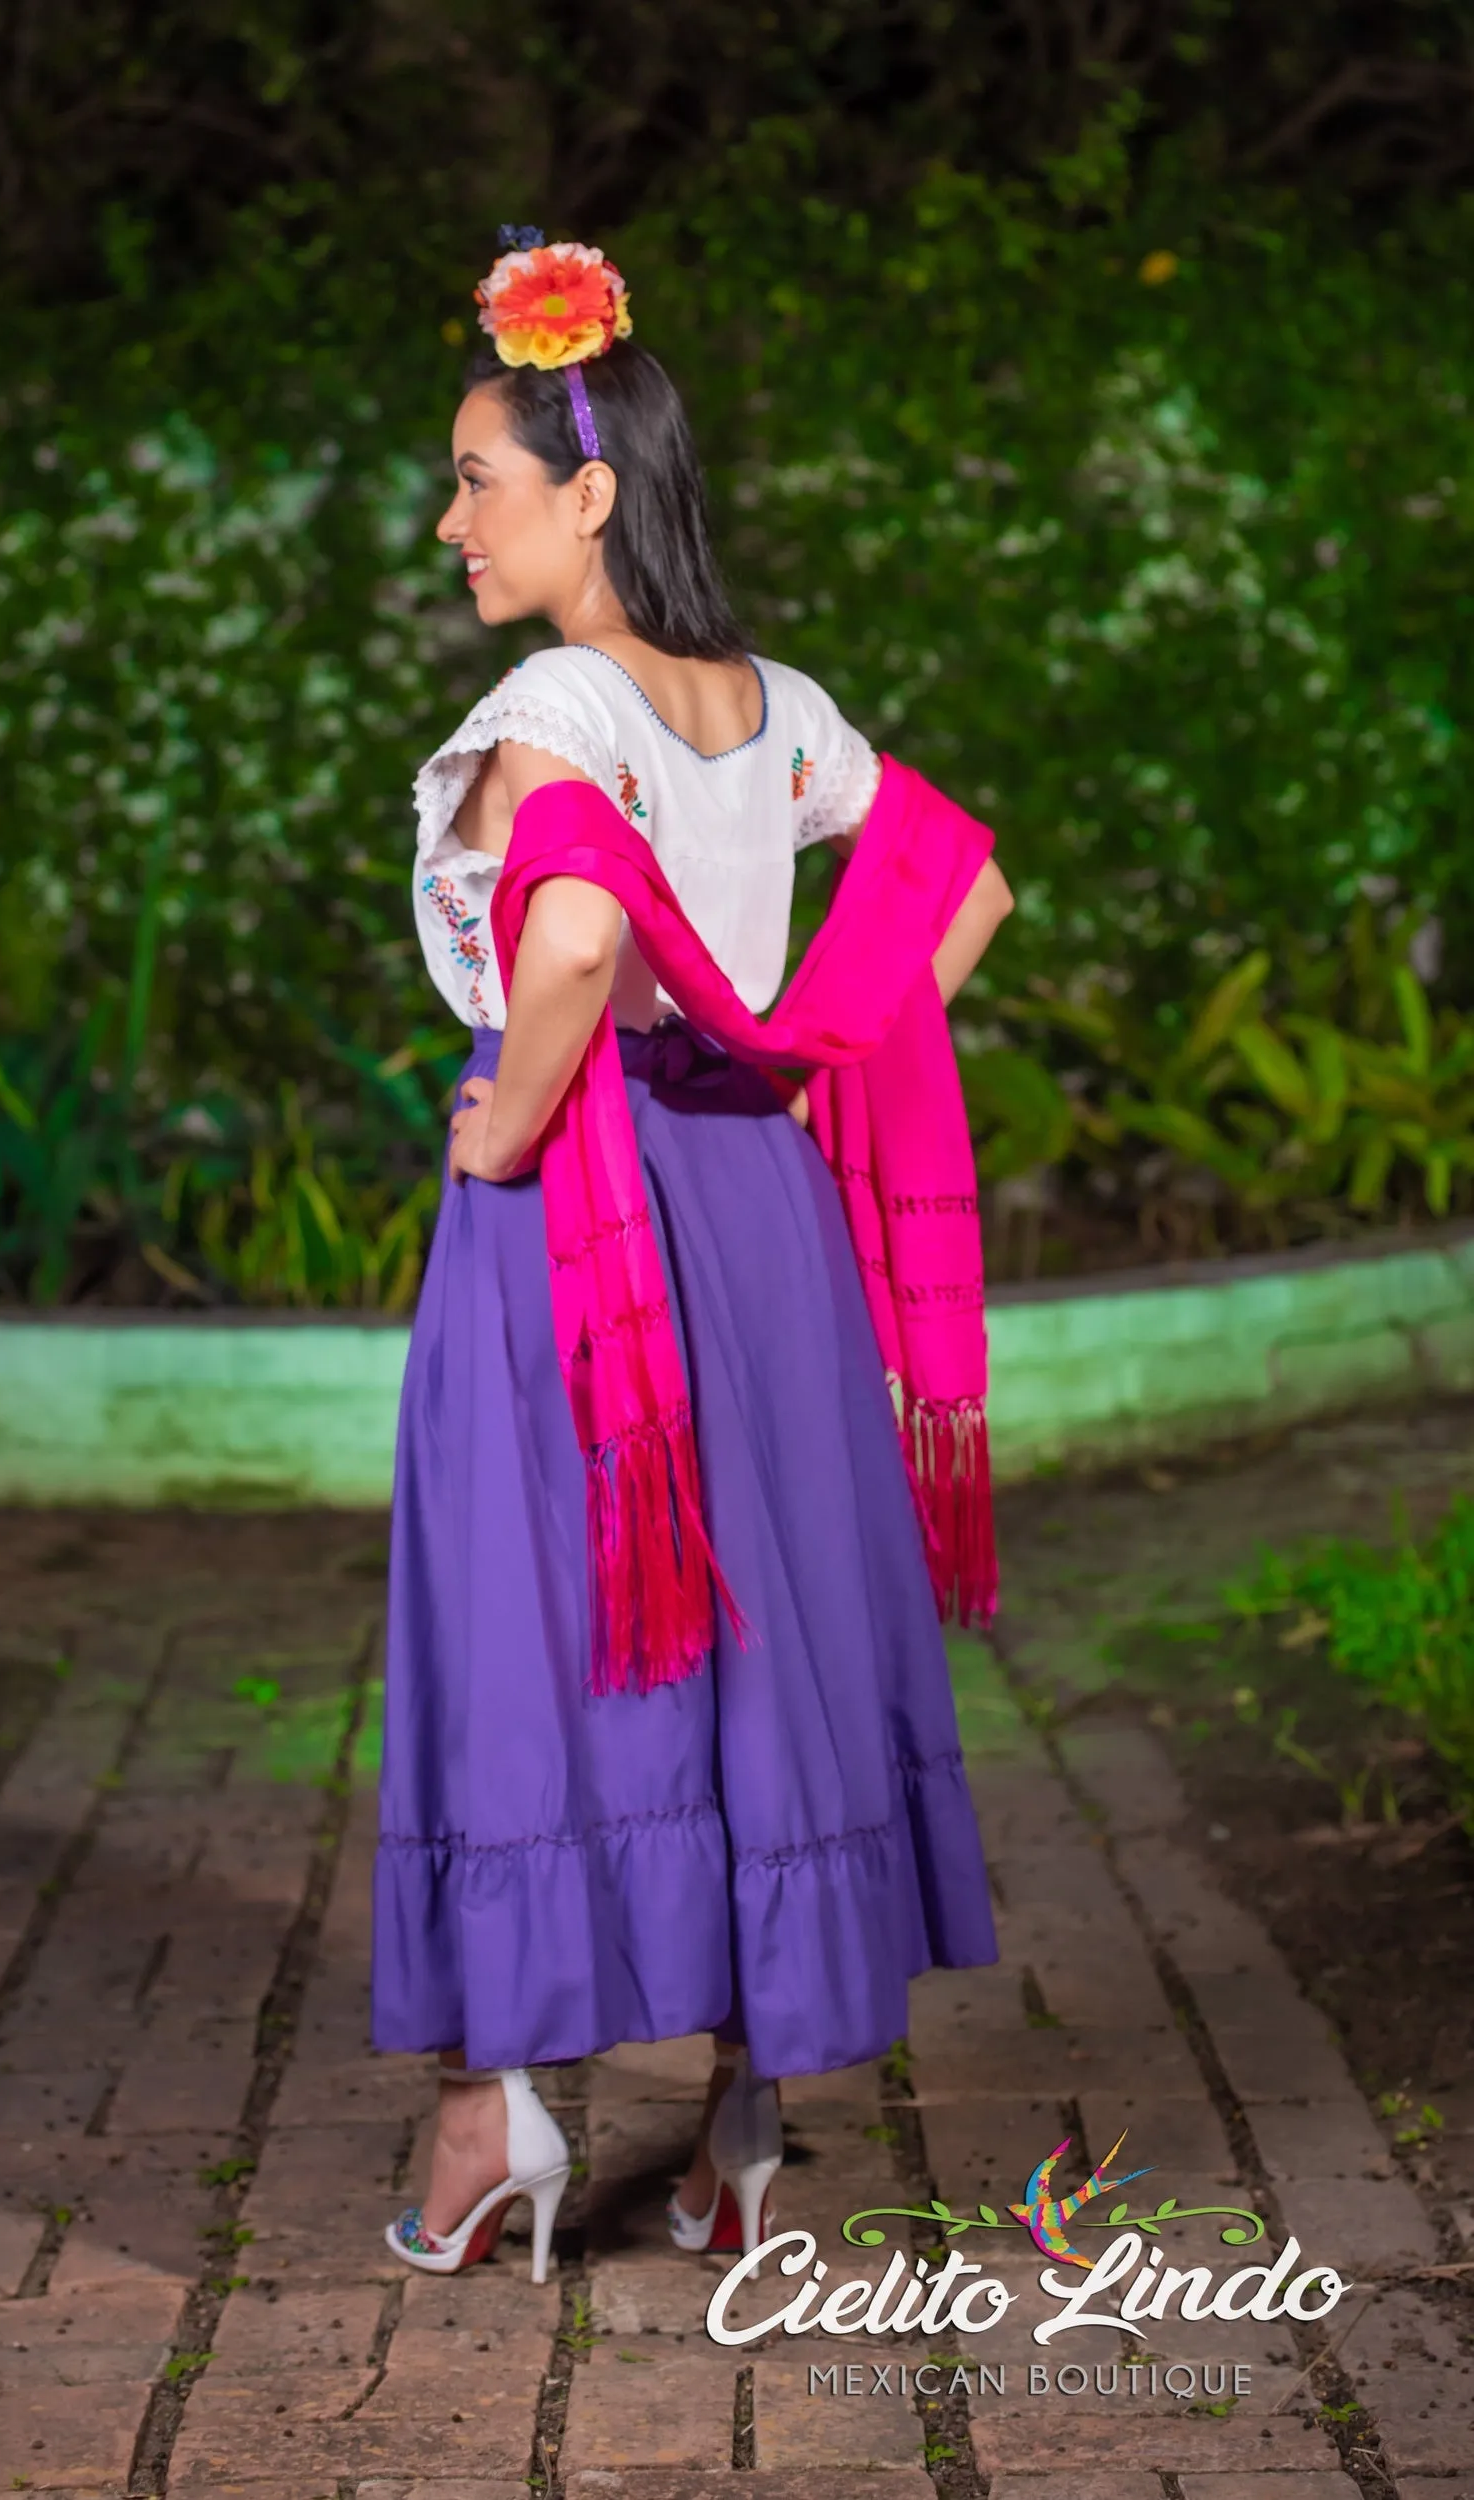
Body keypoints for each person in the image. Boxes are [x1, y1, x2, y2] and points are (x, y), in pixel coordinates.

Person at [372, 229, 1012, 2282]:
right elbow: (962, 881)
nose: (450, 514)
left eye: (478, 475)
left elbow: (566, 939)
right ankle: (747, 2116)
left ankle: (495, 2109)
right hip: (763, 1206)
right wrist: (809, 1050)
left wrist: (513, 1118)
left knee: (531, 1620)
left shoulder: (552, 696)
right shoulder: (765, 698)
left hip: (579, 1215)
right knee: (764, 1626)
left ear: (587, 492)